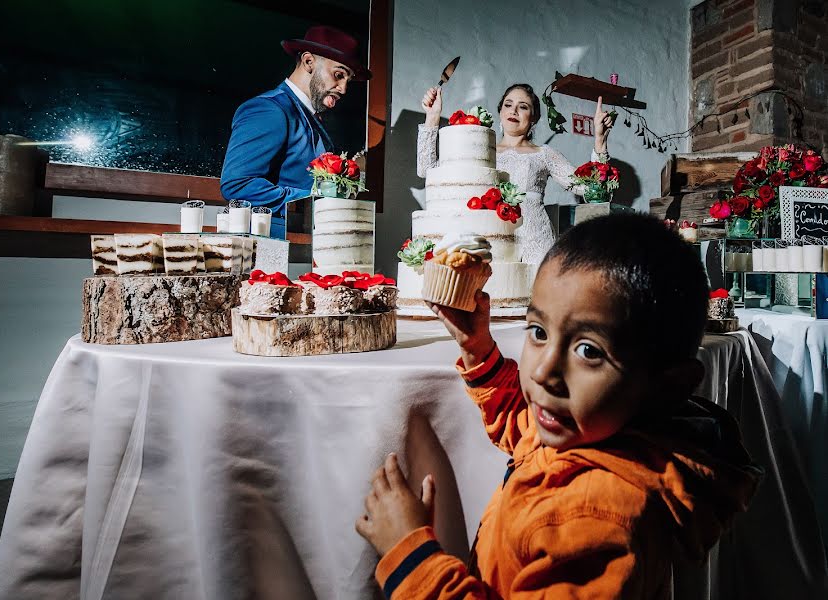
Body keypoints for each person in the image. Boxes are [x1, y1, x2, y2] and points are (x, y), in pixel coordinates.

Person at [356, 213, 762, 598]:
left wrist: (411, 559)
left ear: (668, 386)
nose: (544, 372)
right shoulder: (593, 430)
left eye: (589, 351)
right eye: (538, 331)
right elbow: (526, 435)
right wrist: (477, 349)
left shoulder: (595, 520)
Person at [418, 84, 614, 265]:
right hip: (492, 237)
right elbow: (429, 171)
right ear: (500, 111)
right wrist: (432, 117)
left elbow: (588, 188)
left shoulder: (544, 154)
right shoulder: (481, 149)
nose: (513, 110)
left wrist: (599, 141)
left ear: (534, 117)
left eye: (523, 107)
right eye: (508, 104)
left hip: (536, 239)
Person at [220, 25, 370, 238]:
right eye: (338, 75)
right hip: (270, 250)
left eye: (348, 80)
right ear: (309, 61)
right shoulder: (269, 109)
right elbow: (238, 185)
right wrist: (314, 202)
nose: (343, 89)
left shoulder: (312, 120)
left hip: (308, 248)